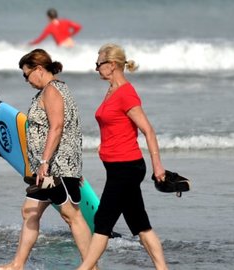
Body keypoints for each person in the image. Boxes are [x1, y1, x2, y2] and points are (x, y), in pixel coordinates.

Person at [0, 49, 95, 270]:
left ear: (38, 69)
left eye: (26, 75)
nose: (26, 81)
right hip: (49, 169)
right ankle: (17, 264)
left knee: (71, 215)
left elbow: (57, 128)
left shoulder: (52, 91)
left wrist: (46, 162)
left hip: (56, 167)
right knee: (29, 211)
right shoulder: (56, 89)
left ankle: (91, 267)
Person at [76, 44, 168, 270]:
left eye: (99, 64)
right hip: (117, 167)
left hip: (127, 167)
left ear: (112, 65)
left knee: (102, 221)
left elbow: (148, 130)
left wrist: (158, 166)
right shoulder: (111, 91)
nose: (96, 68)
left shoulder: (126, 93)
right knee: (140, 224)